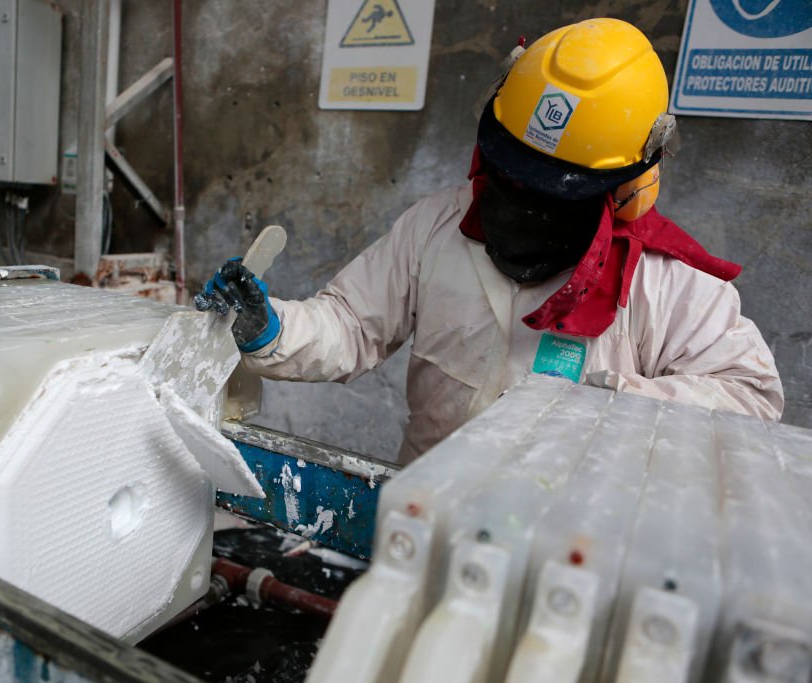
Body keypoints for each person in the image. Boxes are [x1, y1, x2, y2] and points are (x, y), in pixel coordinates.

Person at [195, 18, 784, 464]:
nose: (519, 205)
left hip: (574, 554)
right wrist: (269, 329)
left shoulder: (668, 281)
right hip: (426, 513)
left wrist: (614, 404)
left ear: (630, 188)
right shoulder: (435, 227)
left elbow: (751, 401)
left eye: (552, 193)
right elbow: (351, 325)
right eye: (509, 174)